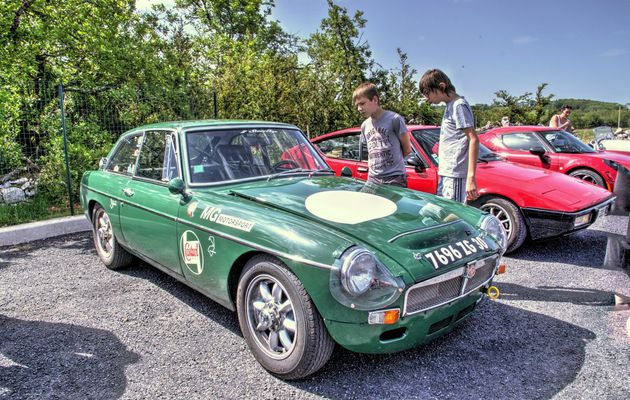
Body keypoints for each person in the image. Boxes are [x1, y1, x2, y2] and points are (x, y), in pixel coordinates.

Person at [419, 69, 479, 203]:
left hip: (455, 173)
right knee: (439, 211)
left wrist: (470, 177)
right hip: (446, 171)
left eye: (428, 93)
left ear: (441, 86)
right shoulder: (449, 106)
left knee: (453, 216)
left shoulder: (459, 105)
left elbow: (473, 139)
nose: (427, 99)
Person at [352, 82, 412, 187]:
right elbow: (369, 152)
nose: (359, 108)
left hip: (394, 178)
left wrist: (392, 165)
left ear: (375, 100)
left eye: (362, 103)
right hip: (373, 179)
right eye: (357, 105)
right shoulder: (365, 126)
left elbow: (407, 149)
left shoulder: (395, 119)